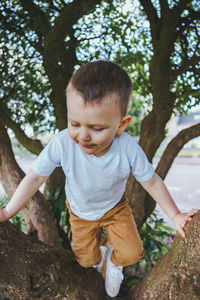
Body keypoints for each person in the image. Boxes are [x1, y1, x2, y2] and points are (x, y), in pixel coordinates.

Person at [0, 60, 198, 298]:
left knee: (132, 253)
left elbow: (152, 181)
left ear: (121, 125)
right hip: (81, 213)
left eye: (96, 128)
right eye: (75, 123)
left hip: (116, 209)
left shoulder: (127, 148)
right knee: (86, 261)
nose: (83, 135)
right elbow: (34, 177)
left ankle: (113, 261)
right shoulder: (63, 143)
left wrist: (175, 215)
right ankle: (99, 257)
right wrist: (8, 211)